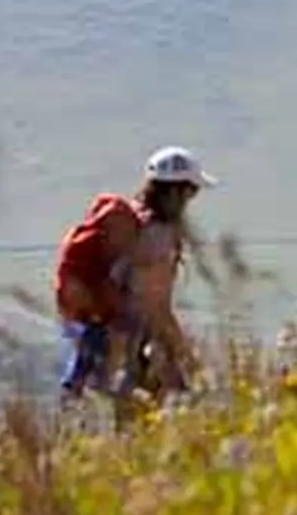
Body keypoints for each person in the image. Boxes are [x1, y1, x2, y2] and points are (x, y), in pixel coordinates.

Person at [52, 148, 211, 404]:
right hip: (124, 342)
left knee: (85, 408)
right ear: (178, 191)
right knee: (136, 414)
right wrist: (184, 354)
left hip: (92, 332)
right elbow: (155, 306)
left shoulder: (132, 220)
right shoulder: (158, 237)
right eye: (192, 191)